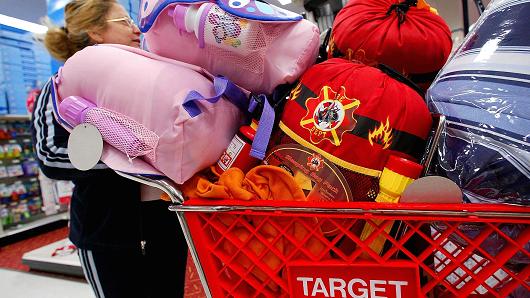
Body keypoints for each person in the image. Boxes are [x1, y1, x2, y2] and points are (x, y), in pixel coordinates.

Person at [31, 1, 188, 297]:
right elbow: (50, 155)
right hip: (105, 232)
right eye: (123, 20)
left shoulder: (147, 80)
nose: (135, 27)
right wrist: (131, 160)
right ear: (95, 31)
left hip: (165, 226)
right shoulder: (61, 88)